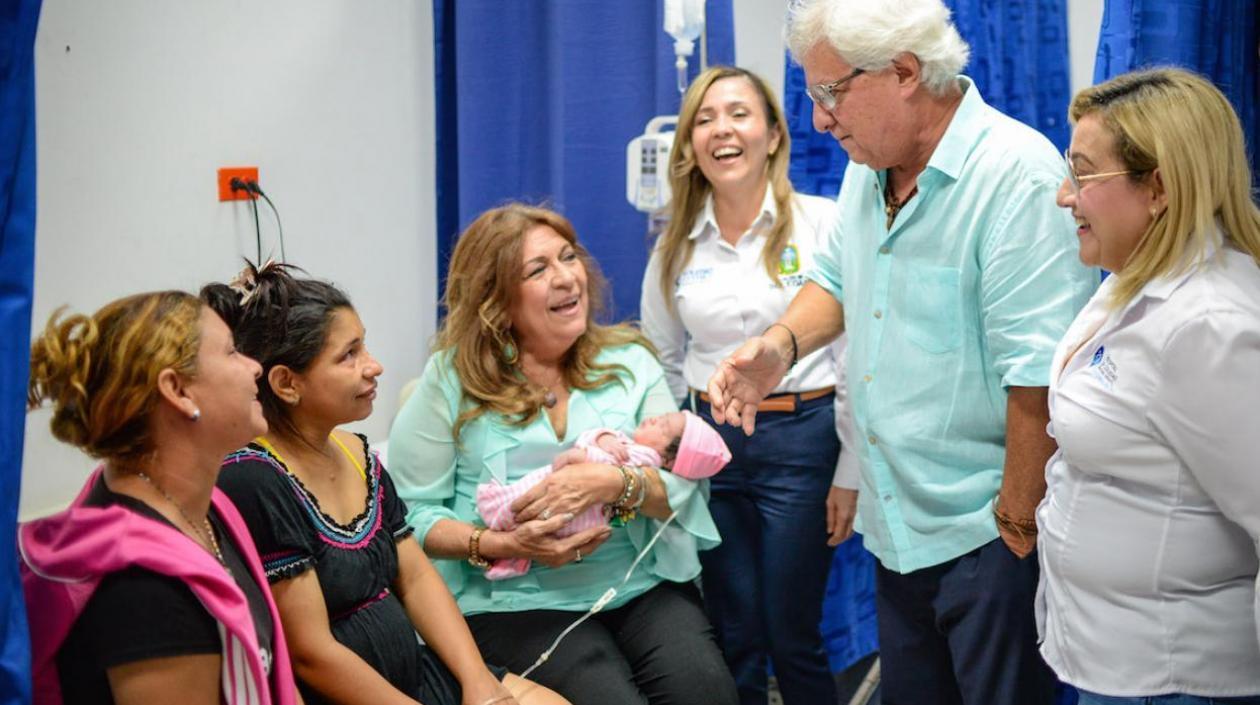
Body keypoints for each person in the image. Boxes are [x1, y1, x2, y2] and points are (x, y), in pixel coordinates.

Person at [707, 2, 1100, 703]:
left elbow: (1037, 378)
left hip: (988, 536)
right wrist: (779, 346)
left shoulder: (1015, 178)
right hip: (900, 533)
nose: (821, 119)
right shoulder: (872, 166)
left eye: (831, 93)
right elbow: (836, 279)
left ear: (905, 72)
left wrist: (1014, 539)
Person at [388, 204, 738, 705]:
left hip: (637, 587)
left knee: (706, 691)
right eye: (537, 269)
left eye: (568, 257)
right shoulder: (450, 381)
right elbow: (409, 517)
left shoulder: (631, 363)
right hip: (512, 604)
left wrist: (612, 484)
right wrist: (501, 544)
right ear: (497, 301)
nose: (565, 277)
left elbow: (682, 485)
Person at [204, 263, 566, 705]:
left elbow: (415, 578)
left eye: (364, 346)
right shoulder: (254, 478)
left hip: (413, 672)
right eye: (348, 355)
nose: (373, 366)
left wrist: (477, 682)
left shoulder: (357, 453)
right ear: (286, 383)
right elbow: (311, 653)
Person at [1038, 68, 1260, 705]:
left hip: (1177, 676)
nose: (1064, 194)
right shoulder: (1135, 278)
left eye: (1083, 174)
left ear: (1158, 187)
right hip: (1113, 656)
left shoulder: (1210, 325)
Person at [638, 64, 858, 705]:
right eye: (704, 119)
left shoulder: (823, 226)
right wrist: (677, 451)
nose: (721, 130)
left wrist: (850, 468)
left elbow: (853, 354)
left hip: (805, 441)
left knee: (792, 633)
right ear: (688, 146)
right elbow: (663, 360)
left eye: (738, 113)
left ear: (772, 134)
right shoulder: (674, 248)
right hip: (713, 449)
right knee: (734, 630)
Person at [20, 291, 300, 705]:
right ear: (178, 390)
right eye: (232, 352)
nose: (255, 366)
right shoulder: (143, 589)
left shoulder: (205, 508)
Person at [475, 410, 732, 579]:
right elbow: (600, 441)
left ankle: (498, 513)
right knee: (542, 524)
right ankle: (512, 556)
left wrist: (585, 455)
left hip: (585, 509)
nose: (655, 419)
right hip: (585, 508)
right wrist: (605, 437)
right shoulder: (631, 444)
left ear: (667, 460)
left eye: (663, 428)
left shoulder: (646, 457)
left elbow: (609, 466)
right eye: (663, 417)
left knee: (529, 502)